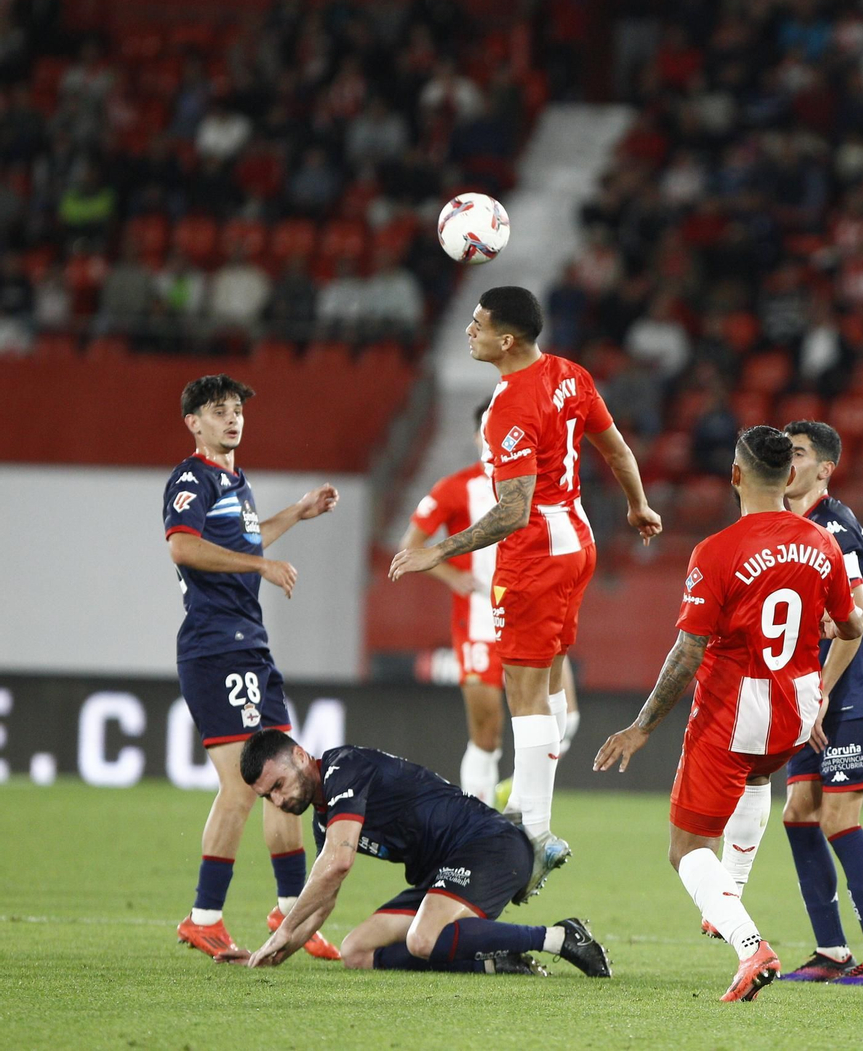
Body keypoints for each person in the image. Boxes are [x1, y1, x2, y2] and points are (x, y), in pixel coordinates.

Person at [389, 286, 661, 899]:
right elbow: (614, 447)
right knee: (552, 677)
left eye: (478, 324)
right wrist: (638, 504)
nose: (469, 330)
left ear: (506, 339)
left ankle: (533, 836)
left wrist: (440, 550)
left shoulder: (509, 405)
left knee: (525, 692)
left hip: (535, 553)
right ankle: (536, 817)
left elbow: (511, 512)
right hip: (579, 540)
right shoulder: (570, 373)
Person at [594, 426, 863, 1002]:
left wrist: (642, 726)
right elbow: (854, 623)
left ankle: (750, 945)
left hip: (736, 710)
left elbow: (688, 651)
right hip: (795, 713)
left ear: (736, 475)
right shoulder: (821, 544)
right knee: (760, 776)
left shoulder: (716, 551)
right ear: (790, 477)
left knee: (687, 849)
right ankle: (730, 895)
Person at [163, 374, 342, 961]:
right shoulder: (191, 478)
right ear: (193, 421)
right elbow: (184, 546)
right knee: (243, 784)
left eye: (236, 410)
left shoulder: (233, 482)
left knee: (286, 776)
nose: (232, 420)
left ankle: (291, 913)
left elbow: (250, 540)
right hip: (216, 648)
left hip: (249, 646)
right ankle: (204, 917)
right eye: (218, 411)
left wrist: (299, 511)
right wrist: (260, 569)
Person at [219, 730, 611, 978]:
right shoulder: (324, 817)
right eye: (267, 796)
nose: (278, 800)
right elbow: (323, 902)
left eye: (279, 785)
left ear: (302, 757)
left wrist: (285, 928)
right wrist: (271, 953)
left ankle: (559, 937)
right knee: (355, 951)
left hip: (489, 844)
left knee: (422, 940)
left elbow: (338, 863)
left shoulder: (345, 769)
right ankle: (490, 959)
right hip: (443, 874)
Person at [401, 402, 587, 805]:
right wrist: (451, 575)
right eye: (485, 431)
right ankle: (480, 819)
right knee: (488, 733)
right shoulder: (456, 487)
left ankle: (520, 798)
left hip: (536, 615)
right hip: (481, 623)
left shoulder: (542, 483)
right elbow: (410, 545)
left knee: (565, 720)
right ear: (476, 437)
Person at [774, 421, 863, 985]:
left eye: (798, 453)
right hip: (814, 693)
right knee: (798, 812)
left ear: (824, 468)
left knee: (836, 816)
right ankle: (831, 951)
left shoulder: (835, 527)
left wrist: (821, 693)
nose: (787, 461)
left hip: (853, 691)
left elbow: (857, 621)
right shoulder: (784, 528)